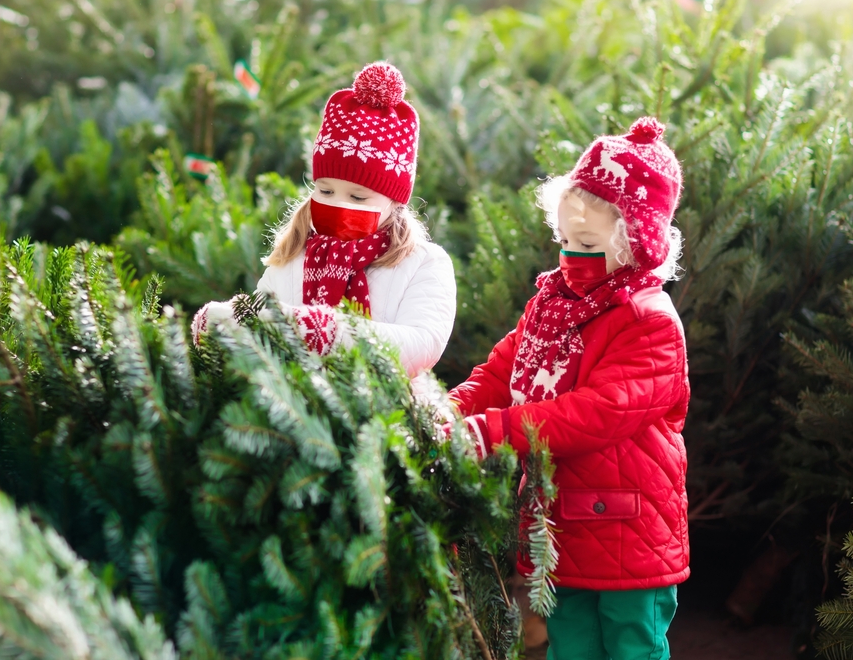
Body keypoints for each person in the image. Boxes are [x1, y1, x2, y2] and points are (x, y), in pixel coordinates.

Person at [451, 117, 689, 660]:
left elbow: (595, 413)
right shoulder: (552, 307)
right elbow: (502, 372)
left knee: (631, 647)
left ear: (636, 243)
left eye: (587, 243)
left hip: (630, 529)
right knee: (570, 646)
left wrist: (490, 432)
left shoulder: (648, 321)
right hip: (560, 525)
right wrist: (449, 410)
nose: (569, 255)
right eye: (563, 240)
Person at [192, 62, 456, 378]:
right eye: (326, 190)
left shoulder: (423, 263)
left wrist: (325, 331)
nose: (338, 204)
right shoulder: (293, 256)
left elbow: (422, 345)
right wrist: (227, 323)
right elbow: (263, 326)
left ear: (394, 201)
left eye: (358, 197)